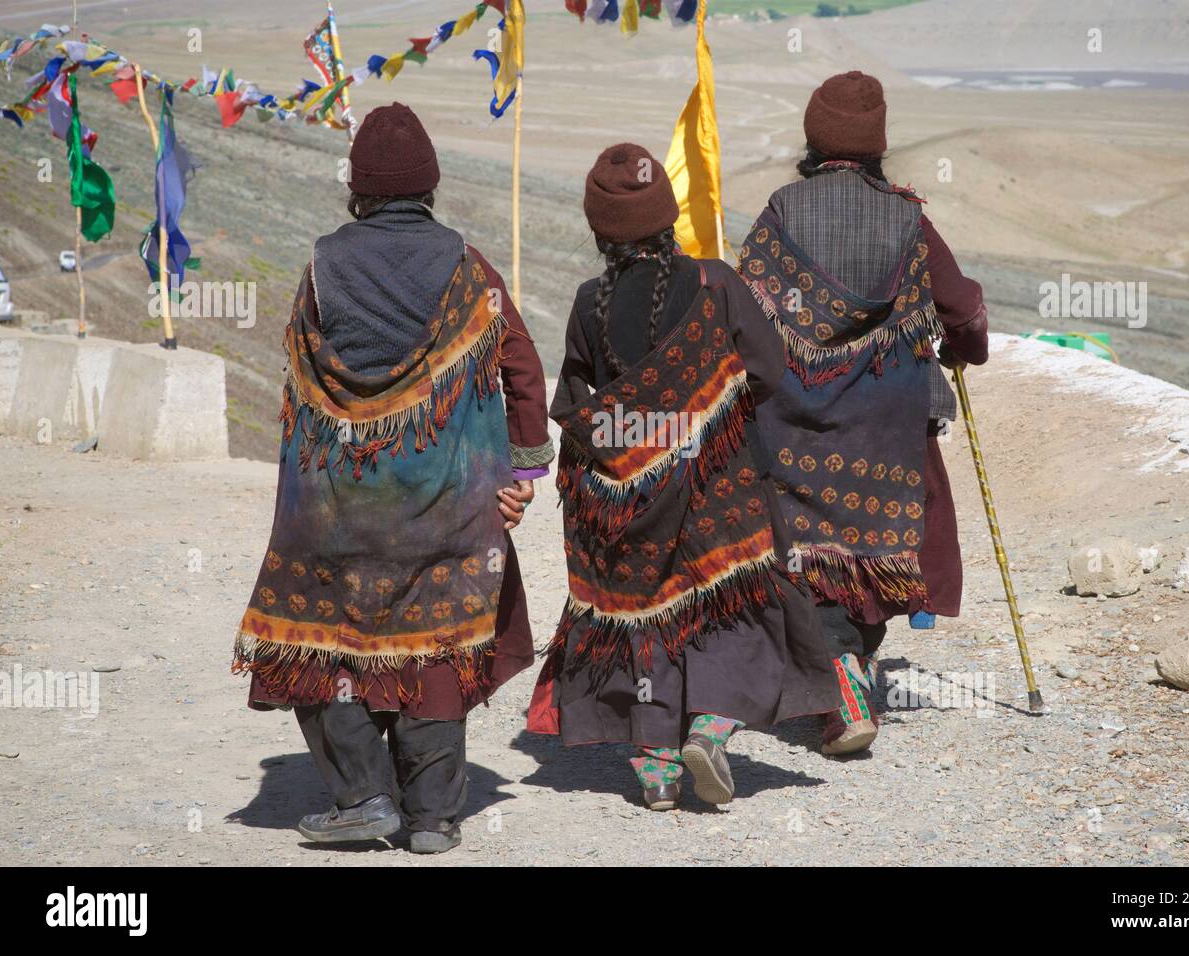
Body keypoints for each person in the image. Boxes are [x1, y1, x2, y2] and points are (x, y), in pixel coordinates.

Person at [231, 103, 553, 853]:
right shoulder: (472, 268)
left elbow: (301, 380)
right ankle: (434, 817)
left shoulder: (322, 266)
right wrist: (520, 469)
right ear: (430, 184)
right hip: (450, 502)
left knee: (326, 639)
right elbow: (522, 367)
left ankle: (364, 794)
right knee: (436, 642)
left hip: (339, 505)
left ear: (360, 188)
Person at [527, 143, 837, 811]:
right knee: (736, 605)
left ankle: (658, 764)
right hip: (718, 483)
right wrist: (711, 400)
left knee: (651, 617)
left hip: (631, 498)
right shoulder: (714, 283)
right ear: (667, 218)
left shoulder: (589, 303)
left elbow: (581, 402)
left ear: (599, 231)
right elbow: (771, 371)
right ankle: (713, 724)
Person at [736, 72, 989, 756]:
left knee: (809, 545)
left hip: (795, 417)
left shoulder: (783, 210)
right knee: (875, 540)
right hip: (889, 421)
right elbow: (961, 305)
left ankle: (840, 671)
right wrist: (969, 348)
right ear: (877, 145)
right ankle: (848, 670)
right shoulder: (907, 218)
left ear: (815, 140)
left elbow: (745, 306)